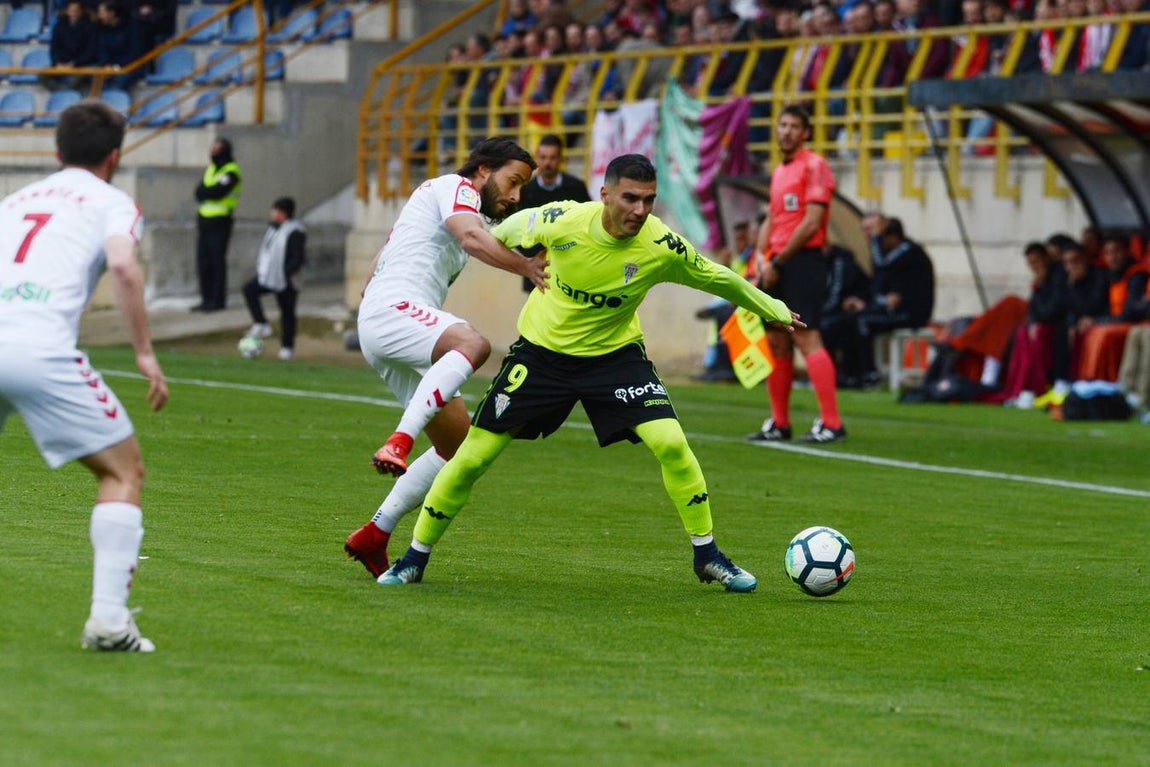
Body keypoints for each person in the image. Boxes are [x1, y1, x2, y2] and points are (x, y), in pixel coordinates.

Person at [375, 154, 803, 591]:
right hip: (541, 357)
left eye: (649, 200)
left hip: (615, 359)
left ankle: (708, 555)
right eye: (630, 198)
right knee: (472, 457)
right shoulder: (561, 220)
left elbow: (716, 277)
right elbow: (494, 234)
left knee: (672, 444)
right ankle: (413, 559)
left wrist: (773, 308)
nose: (640, 210)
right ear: (605, 195)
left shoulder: (661, 245)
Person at [0, 100, 168, 652]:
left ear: (56, 151)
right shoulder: (113, 202)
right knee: (123, 471)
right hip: (39, 349)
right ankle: (109, 623)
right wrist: (144, 352)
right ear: (114, 156)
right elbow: (122, 265)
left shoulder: (16, 199)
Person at [343, 138, 549, 578]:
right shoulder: (458, 188)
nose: (514, 197)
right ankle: (399, 440)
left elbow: (379, 264)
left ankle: (374, 535)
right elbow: (472, 237)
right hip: (395, 311)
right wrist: (526, 267)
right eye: (512, 182)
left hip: (388, 323)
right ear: (483, 169)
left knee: (457, 448)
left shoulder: (435, 201)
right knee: (474, 345)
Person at [745, 105, 846, 444]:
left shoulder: (815, 166)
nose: (786, 131)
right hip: (776, 264)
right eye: (782, 125)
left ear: (805, 132)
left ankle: (832, 423)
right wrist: (760, 258)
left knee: (806, 337)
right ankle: (779, 422)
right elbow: (773, 220)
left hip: (803, 262)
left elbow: (811, 223)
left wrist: (779, 262)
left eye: (794, 126)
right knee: (776, 340)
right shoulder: (779, 171)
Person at [841, 214, 935, 388]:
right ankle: (850, 375)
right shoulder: (890, 258)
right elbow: (879, 288)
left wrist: (876, 239)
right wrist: (865, 303)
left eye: (872, 231)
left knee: (862, 321)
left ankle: (870, 374)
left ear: (891, 236)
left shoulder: (908, 252)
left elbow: (883, 269)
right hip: (894, 310)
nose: (869, 237)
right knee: (847, 319)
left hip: (911, 313)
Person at [517, 133, 591, 292]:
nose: (547, 163)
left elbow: (588, 223)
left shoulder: (576, 188)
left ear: (561, 159)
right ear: (537, 158)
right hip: (538, 271)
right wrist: (539, 257)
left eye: (552, 157)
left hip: (571, 270)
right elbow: (518, 230)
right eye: (543, 157)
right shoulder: (524, 191)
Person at [242, 197, 306, 361]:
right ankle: (261, 323)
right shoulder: (273, 229)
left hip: (287, 280)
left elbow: (297, 258)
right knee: (249, 289)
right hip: (270, 276)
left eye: (275, 210)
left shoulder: (295, 231)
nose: (272, 214)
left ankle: (287, 347)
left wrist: (284, 273)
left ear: (282, 213)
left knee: (287, 312)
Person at [192, 138, 242, 312]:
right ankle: (206, 299)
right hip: (204, 222)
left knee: (216, 262)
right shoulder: (211, 169)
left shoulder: (231, 172)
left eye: (217, 149)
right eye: (212, 149)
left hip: (220, 221)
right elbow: (198, 192)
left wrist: (207, 192)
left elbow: (218, 191)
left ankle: (217, 300)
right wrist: (207, 192)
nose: (213, 152)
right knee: (203, 262)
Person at [45, 0, 96, 92]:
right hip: (62, 63)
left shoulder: (90, 27)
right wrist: (58, 63)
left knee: (81, 77)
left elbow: (90, 51)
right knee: (43, 75)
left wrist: (74, 64)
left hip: (80, 65)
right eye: (71, 10)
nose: (73, 13)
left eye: (76, 11)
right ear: (66, 11)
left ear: (81, 11)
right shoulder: (59, 26)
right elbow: (54, 48)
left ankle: (68, 90)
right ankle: (60, 89)